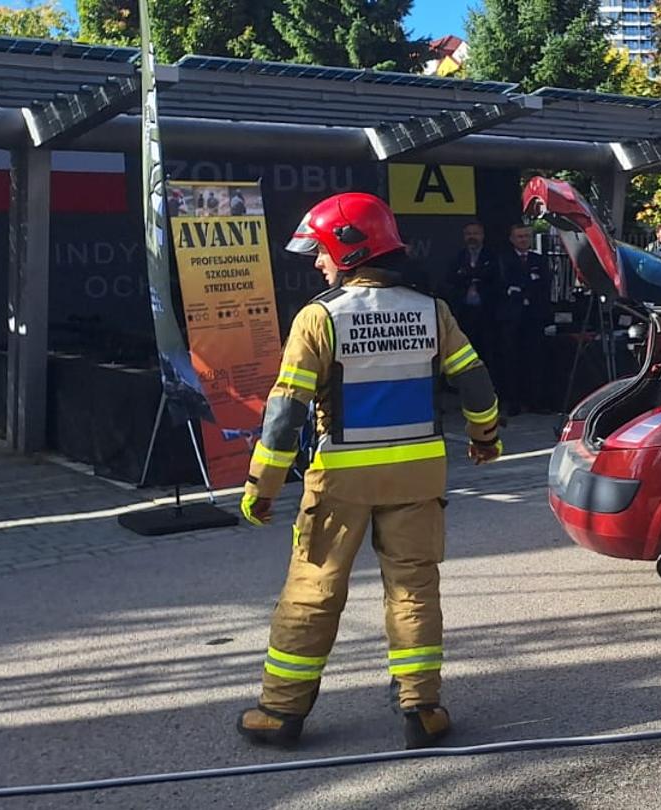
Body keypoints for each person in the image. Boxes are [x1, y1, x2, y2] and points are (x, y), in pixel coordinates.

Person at [235, 192, 502, 750]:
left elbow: (286, 413)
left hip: (342, 480)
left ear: (348, 249)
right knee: (414, 590)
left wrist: (262, 486)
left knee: (312, 591)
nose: (317, 262)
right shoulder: (433, 310)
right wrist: (485, 438)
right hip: (419, 475)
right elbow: (475, 382)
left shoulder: (320, 317)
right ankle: (422, 709)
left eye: (321, 251)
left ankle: (281, 713)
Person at [496, 223, 552, 415]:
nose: (523, 240)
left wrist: (523, 288)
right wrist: (526, 284)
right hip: (512, 318)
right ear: (512, 239)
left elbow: (544, 285)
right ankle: (513, 402)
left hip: (533, 317)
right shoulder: (503, 260)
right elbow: (505, 285)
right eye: (519, 237)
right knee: (512, 360)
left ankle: (535, 401)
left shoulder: (539, 259)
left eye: (527, 236)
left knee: (535, 359)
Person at [443, 222, 500, 355]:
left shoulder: (493, 257)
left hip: (487, 314)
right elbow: (449, 282)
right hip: (464, 314)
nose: (472, 237)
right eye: (468, 234)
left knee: (488, 351)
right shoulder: (457, 258)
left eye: (475, 233)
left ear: (483, 236)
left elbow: (497, 282)